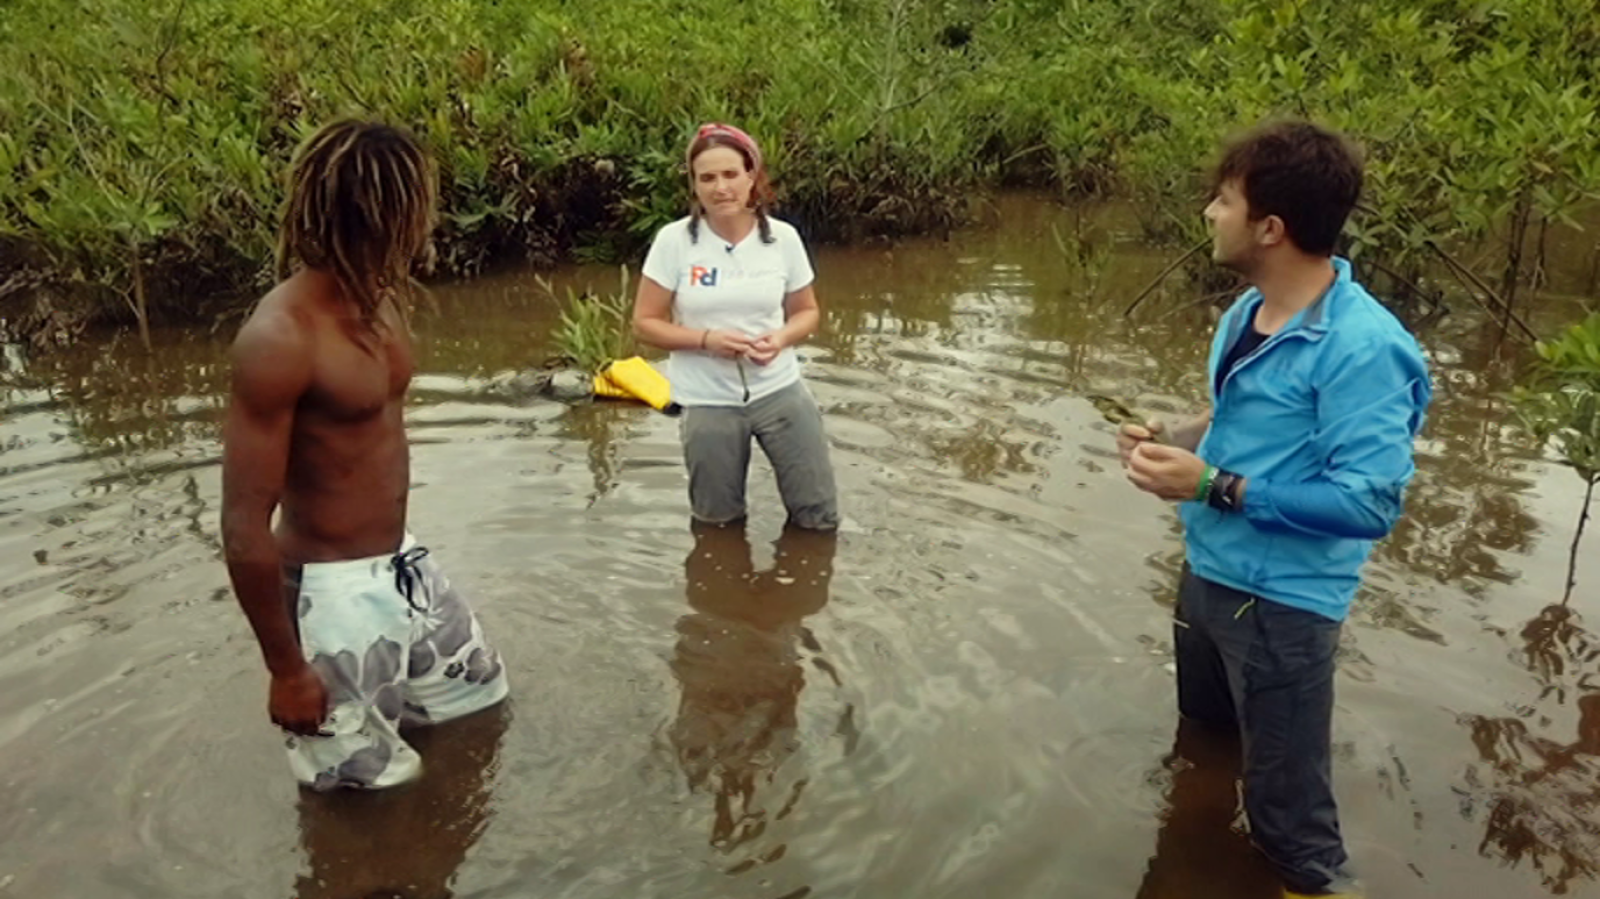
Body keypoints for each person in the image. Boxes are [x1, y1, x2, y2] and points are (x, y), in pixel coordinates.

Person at [1118, 119, 1433, 898]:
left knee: (1294, 834)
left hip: (1283, 607)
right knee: (1205, 745)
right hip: (1207, 577)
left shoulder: (1365, 347)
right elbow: (1239, 420)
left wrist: (1211, 485)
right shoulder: (1246, 314)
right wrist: (1173, 436)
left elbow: (1368, 502)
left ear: (1270, 227)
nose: (1209, 212)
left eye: (1224, 199)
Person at [221, 118, 508, 791]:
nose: (427, 223)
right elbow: (242, 524)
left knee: (480, 711)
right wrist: (286, 668)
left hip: (404, 565)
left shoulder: (381, 302)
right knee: (361, 795)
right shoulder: (280, 337)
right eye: (416, 207)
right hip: (331, 596)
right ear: (378, 215)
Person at [632, 123, 839, 531]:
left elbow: (807, 312)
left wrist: (780, 338)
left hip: (780, 390)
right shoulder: (673, 242)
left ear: (751, 177)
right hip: (707, 400)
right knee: (717, 524)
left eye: (730, 174)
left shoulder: (783, 239)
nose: (721, 188)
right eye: (707, 177)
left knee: (818, 517)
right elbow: (644, 324)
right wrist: (706, 340)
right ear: (694, 185)